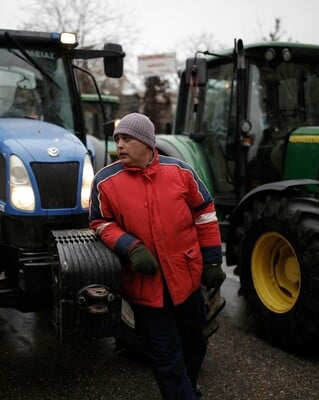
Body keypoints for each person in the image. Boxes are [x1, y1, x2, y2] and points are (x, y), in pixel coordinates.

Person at [89, 113, 225, 399]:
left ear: (147, 143)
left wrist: (212, 260)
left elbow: (205, 214)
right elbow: (100, 223)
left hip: (186, 280)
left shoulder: (182, 173)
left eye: (127, 139)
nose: (120, 146)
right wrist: (131, 246)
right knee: (165, 356)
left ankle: (185, 388)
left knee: (194, 346)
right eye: (117, 140)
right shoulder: (105, 181)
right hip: (145, 287)